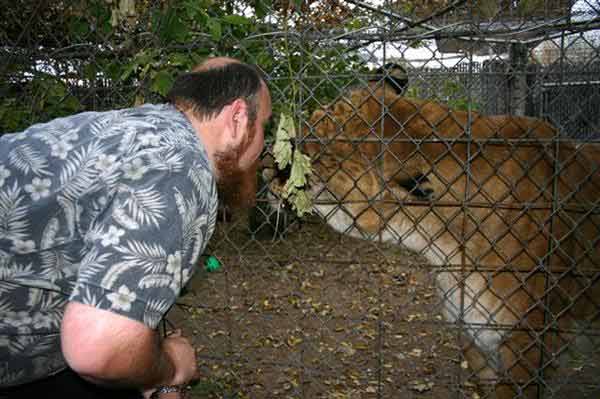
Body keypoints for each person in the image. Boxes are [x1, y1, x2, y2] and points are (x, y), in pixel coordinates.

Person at [0, 56, 272, 399]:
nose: (264, 147)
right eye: (265, 125)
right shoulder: (183, 169)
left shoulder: (136, 131)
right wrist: (171, 366)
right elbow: (97, 347)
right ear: (237, 118)